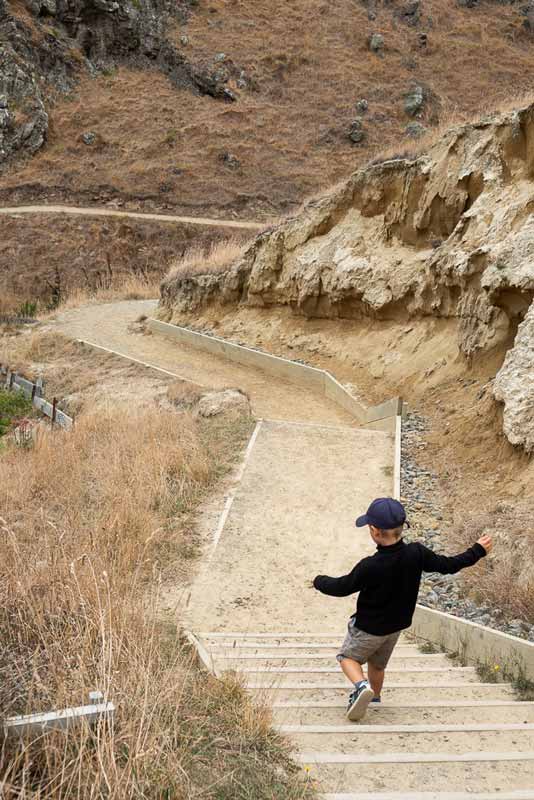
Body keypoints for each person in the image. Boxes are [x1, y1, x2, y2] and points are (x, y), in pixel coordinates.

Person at [311, 497, 492, 722]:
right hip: (395, 627)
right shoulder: (417, 553)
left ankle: (361, 687)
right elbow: (448, 565)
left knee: (347, 658)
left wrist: (318, 581)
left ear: (375, 532)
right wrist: (477, 551)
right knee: (377, 664)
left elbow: (342, 587)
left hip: (368, 628)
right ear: (401, 527)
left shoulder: (369, 566)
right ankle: (374, 697)